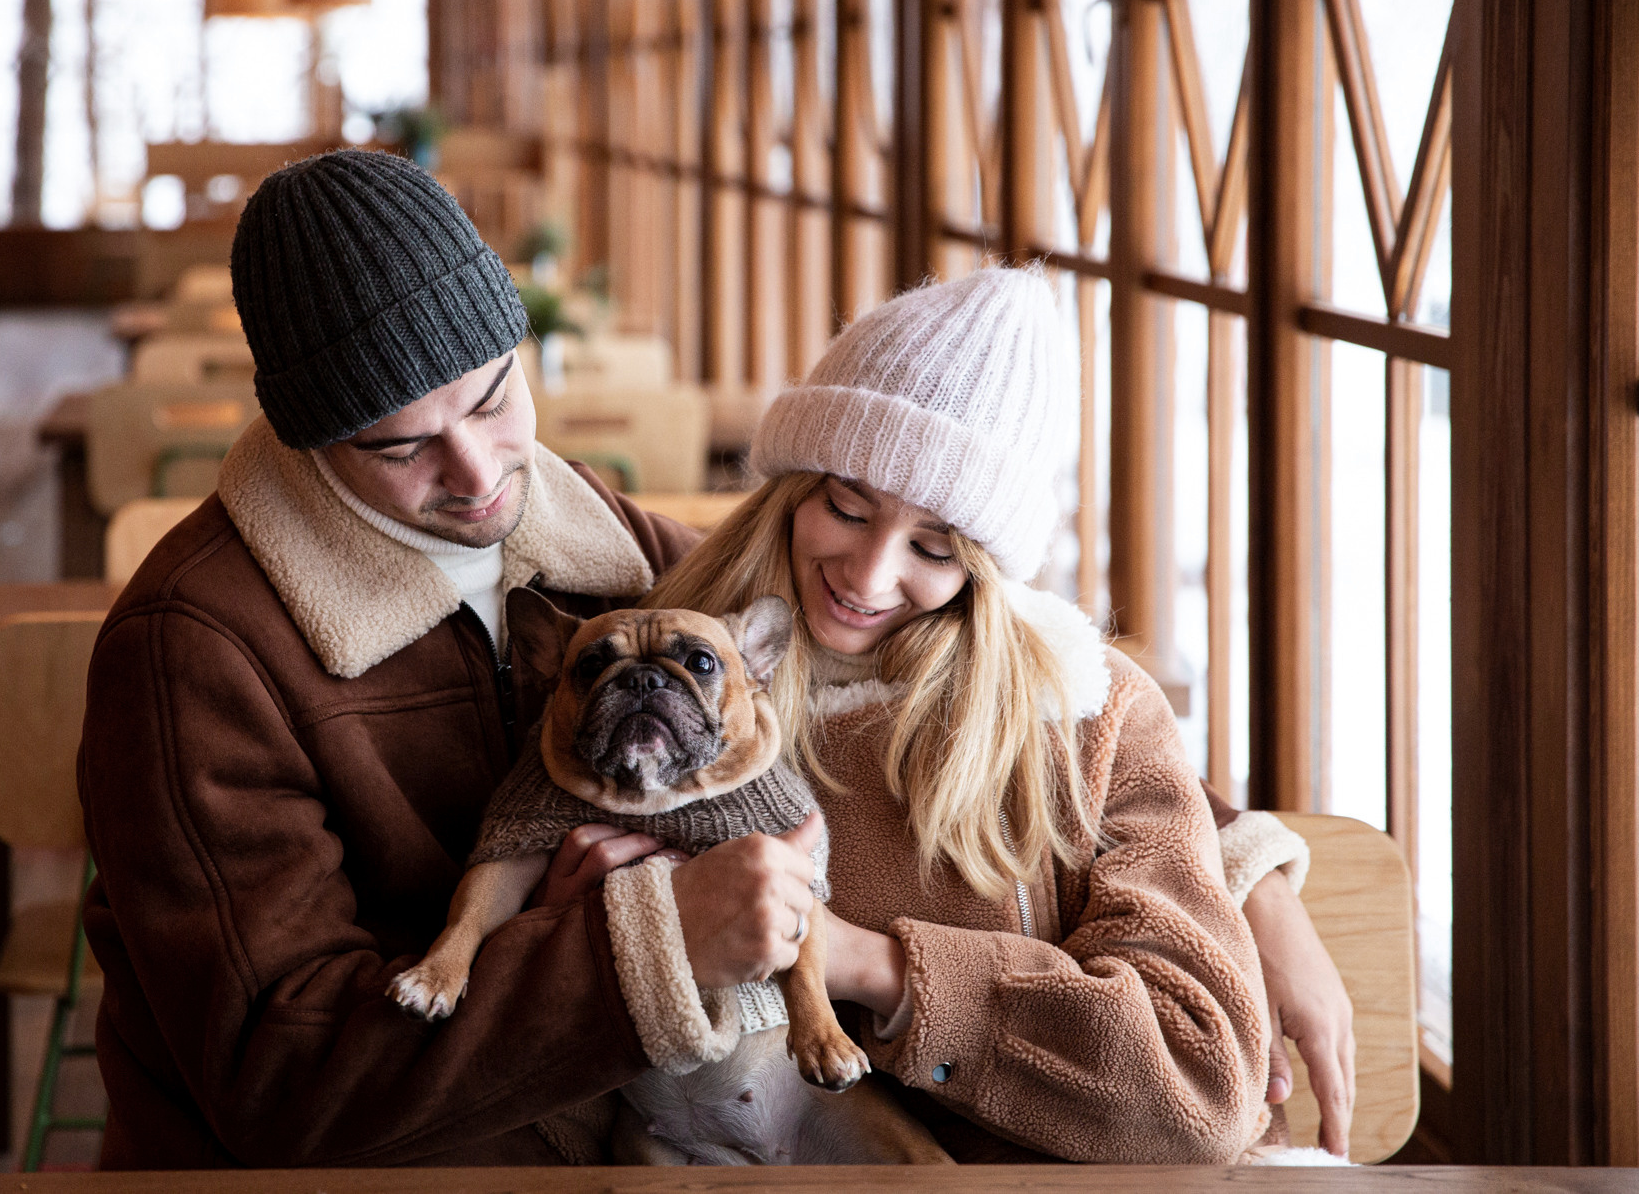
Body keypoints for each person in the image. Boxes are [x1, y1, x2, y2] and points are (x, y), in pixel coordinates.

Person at [77, 151, 1348, 1168]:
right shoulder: (194, 651)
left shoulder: (597, 542)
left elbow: (1006, 689)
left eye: (492, 396)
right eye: (397, 446)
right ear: (305, 438)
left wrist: (1244, 873)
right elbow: (276, 1078)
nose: (476, 476)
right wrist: (655, 943)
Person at [603, 268, 1353, 1162]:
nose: (869, 576)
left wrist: (864, 962)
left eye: (933, 547)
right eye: (846, 507)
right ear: (791, 491)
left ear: (987, 570)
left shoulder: (1086, 712)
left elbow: (1197, 1087)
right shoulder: (659, 688)